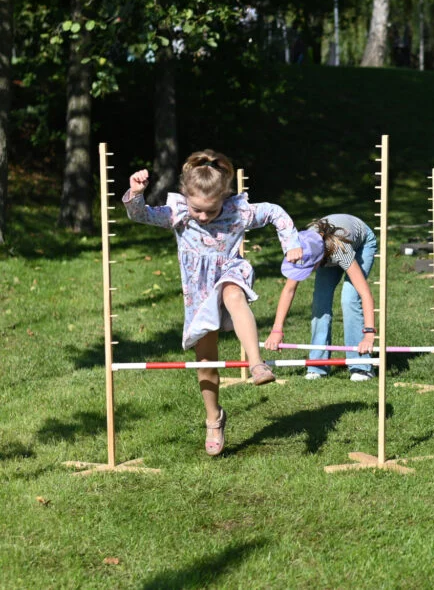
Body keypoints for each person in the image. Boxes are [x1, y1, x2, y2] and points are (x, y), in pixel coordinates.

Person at [123, 150, 303, 456]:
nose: (204, 217)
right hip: (198, 294)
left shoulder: (238, 212)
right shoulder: (178, 214)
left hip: (230, 272)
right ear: (185, 196)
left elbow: (274, 212)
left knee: (233, 293)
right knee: (206, 364)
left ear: (225, 198)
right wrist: (136, 193)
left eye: (211, 210)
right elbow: (139, 215)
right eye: (198, 210)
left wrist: (292, 244)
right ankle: (214, 418)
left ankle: (257, 364)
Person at [263, 215, 378, 381]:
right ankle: (317, 365)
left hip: (359, 244)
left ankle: (360, 366)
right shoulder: (300, 249)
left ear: (317, 261)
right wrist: (276, 330)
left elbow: (365, 294)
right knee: (320, 301)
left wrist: (368, 334)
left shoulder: (341, 250)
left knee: (350, 298)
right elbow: (289, 290)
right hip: (325, 252)